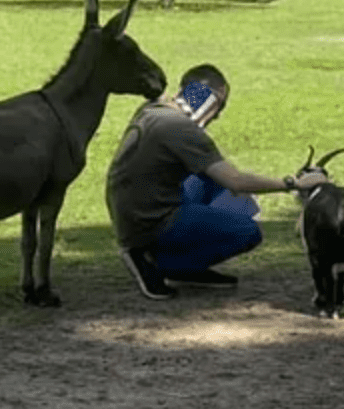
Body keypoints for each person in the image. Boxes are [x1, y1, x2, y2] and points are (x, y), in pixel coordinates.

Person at [106, 63, 328, 299]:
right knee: (247, 229)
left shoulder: (154, 109)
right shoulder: (180, 128)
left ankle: (173, 259)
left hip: (131, 209)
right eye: (219, 105)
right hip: (147, 221)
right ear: (207, 99)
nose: (219, 114)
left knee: (217, 183)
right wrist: (293, 183)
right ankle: (161, 263)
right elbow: (236, 182)